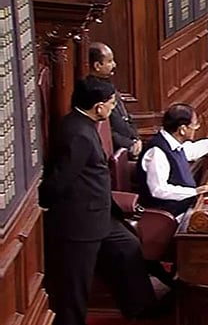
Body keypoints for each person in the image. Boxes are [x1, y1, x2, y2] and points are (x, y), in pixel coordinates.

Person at [40, 78, 157, 325]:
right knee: (75, 286)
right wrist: (45, 205)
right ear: (99, 106)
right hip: (80, 223)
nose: (114, 108)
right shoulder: (78, 133)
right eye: (112, 103)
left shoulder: (84, 125)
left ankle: (140, 307)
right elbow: (61, 179)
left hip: (100, 215)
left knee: (127, 247)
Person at [136, 103, 208, 217]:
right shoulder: (157, 152)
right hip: (170, 215)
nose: (197, 128)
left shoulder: (173, 143)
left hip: (185, 207)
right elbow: (159, 190)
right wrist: (195, 191)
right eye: (195, 125)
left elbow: (192, 150)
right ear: (182, 129)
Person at [86, 42, 141, 156]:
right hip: (117, 150)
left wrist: (136, 138)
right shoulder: (93, 92)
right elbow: (104, 130)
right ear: (97, 66)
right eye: (110, 61)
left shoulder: (108, 84)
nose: (114, 65)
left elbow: (125, 116)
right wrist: (129, 144)